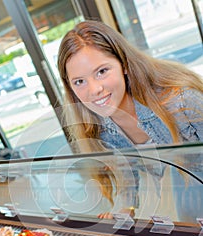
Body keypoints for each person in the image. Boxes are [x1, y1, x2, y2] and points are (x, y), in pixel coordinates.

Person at [57, 20, 203, 222]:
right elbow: (126, 169)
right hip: (188, 206)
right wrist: (125, 208)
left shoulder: (182, 101)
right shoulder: (100, 128)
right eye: (79, 81)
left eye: (102, 71)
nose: (94, 90)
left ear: (124, 65)